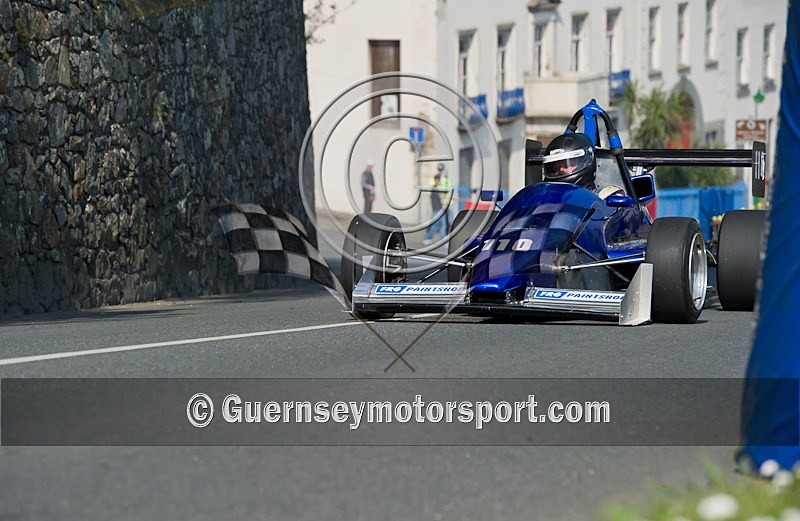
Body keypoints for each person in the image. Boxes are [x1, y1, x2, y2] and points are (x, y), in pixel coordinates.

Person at [423, 163, 452, 245]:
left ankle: (434, 239)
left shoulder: (445, 179)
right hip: (439, 207)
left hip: (442, 206)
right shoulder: (434, 185)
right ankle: (428, 238)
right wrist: (444, 204)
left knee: (442, 224)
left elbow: (447, 191)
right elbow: (436, 195)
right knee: (438, 225)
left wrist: (446, 203)